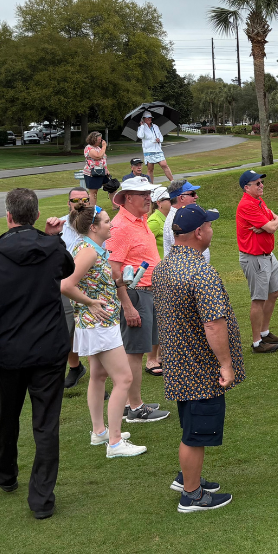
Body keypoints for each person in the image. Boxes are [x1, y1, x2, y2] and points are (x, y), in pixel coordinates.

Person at [0, 189, 76, 519]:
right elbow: (66, 265)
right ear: (36, 215)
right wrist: (54, 239)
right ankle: (31, 491)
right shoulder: (38, 250)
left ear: (9, 216)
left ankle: (7, 473)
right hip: (45, 349)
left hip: (10, 351)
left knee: (8, 416)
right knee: (43, 423)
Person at [153, 205, 244, 512]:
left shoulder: (164, 266)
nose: (212, 230)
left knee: (190, 424)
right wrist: (226, 364)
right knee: (197, 431)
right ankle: (191, 495)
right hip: (200, 367)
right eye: (209, 225)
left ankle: (188, 477)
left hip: (178, 362)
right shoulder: (200, 271)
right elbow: (213, 323)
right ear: (199, 232)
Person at [61, 203, 146, 457]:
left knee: (98, 376)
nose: (112, 225)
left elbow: (92, 281)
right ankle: (115, 443)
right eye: (107, 221)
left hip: (93, 323)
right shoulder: (88, 251)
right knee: (124, 379)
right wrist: (89, 302)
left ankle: (100, 432)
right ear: (93, 227)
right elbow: (65, 285)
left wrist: (119, 282)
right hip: (99, 322)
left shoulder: (90, 248)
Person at [105, 177, 170, 422]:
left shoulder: (140, 220)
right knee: (134, 352)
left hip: (145, 292)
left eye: (149, 193)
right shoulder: (120, 226)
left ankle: (127, 402)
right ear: (128, 197)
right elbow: (114, 271)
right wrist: (128, 305)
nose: (148, 198)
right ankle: (135, 407)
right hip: (135, 294)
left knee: (136, 351)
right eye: (143, 194)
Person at [236, 170, 278, 353]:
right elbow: (271, 226)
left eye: (261, 182)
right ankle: (257, 342)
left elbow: (272, 220)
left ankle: (265, 332)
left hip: (267, 255)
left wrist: (271, 222)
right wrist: (270, 224)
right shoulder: (247, 204)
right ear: (246, 187)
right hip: (254, 257)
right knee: (258, 299)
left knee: (274, 292)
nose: (261, 185)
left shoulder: (258, 201)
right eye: (257, 183)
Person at [59, 189, 92, 389]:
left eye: (84, 200)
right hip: (67, 283)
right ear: (68, 202)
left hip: (94, 284)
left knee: (93, 330)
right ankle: (75, 367)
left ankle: (98, 379)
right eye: (75, 200)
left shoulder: (97, 221)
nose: (80, 203)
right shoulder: (61, 225)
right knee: (68, 328)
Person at [163, 180, 209, 262]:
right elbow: (182, 252)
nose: (196, 196)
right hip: (186, 271)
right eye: (192, 194)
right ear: (181, 197)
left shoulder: (181, 217)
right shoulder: (175, 220)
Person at [137, 112, 173, 183]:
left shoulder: (155, 126)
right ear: (143, 119)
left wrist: (159, 140)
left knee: (164, 165)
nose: (149, 119)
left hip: (157, 149)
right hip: (148, 151)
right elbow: (140, 136)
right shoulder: (141, 128)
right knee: (150, 169)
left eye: (150, 118)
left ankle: (172, 181)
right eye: (147, 118)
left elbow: (161, 136)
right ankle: (150, 186)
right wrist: (141, 126)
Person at [82, 131, 110, 204]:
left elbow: (103, 159)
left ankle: (115, 206)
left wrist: (106, 169)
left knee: (111, 187)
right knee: (93, 192)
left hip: (103, 171)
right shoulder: (89, 148)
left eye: (101, 139)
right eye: (99, 140)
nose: (100, 141)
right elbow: (98, 156)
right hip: (92, 173)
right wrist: (104, 147)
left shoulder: (98, 148)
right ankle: (92, 209)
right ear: (93, 140)